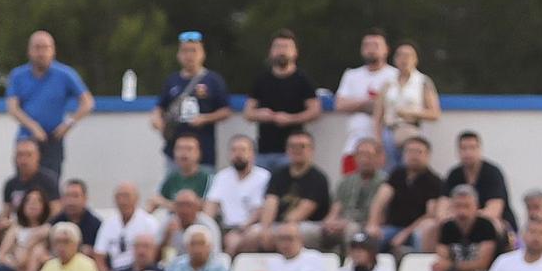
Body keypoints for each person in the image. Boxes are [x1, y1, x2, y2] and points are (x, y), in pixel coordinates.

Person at [4, 31, 91, 178]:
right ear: (29, 50)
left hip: (53, 139)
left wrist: (68, 123)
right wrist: (33, 127)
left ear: (53, 50)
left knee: (51, 186)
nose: (41, 53)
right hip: (26, 140)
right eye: (37, 48)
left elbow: (87, 102)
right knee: (23, 186)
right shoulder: (18, 75)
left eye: (45, 47)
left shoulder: (65, 74)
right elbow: (12, 107)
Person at [240, 29, 319, 167]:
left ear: (295, 52)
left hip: (292, 153)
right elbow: (247, 113)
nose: (282, 51)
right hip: (263, 152)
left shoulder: (303, 80)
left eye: (286, 47)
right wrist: (260, 114)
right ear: (270, 51)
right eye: (278, 47)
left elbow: (315, 110)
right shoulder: (261, 79)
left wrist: (291, 119)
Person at [152, 30, 232, 162]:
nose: (189, 55)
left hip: (204, 152)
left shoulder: (213, 80)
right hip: (174, 152)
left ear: (203, 54)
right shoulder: (171, 80)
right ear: (178, 55)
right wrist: (157, 120)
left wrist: (205, 118)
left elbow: (226, 111)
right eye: (184, 51)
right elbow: (160, 107)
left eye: (194, 50)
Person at [331, 28, 396, 173]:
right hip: (354, 145)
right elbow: (339, 104)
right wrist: (366, 103)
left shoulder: (394, 76)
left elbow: (393, 108)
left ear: (386, 50)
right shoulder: (351, 75)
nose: (371, 50)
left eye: (376, 45)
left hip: (384, 148)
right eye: (367, 45)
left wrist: (357, 105)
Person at [425, 185, 501, 271]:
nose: (462, 211)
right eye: (458, 206)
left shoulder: (486, 226)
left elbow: (482, 263)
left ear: (476, 207)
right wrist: (447, 266)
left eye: (467, 206)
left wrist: (451, 265)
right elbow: (442, 257)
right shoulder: (447, 227)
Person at [377, 41, 440, 161]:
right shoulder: (387, 82)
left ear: (415, 59)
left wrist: (410, 113)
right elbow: (378, 114)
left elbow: (435, 113)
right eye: (400, 55)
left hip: (411, 131)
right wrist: (378, 138)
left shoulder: (423, 81)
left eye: (408, 55)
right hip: (389, 132)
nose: (404, 59)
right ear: (395, 59)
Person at [442, 131, 511, 230]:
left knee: (492, 225)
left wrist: (466, 217)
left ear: (480, 149)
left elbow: (494, 210)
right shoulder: (454, 174)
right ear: (458, 151)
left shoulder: (492, 173)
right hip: (459, 220)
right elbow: (442, 205)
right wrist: (447, 217)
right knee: (431, 226)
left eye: (472, 148)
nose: (468, 152)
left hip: (495, 221)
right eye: (463, 148)